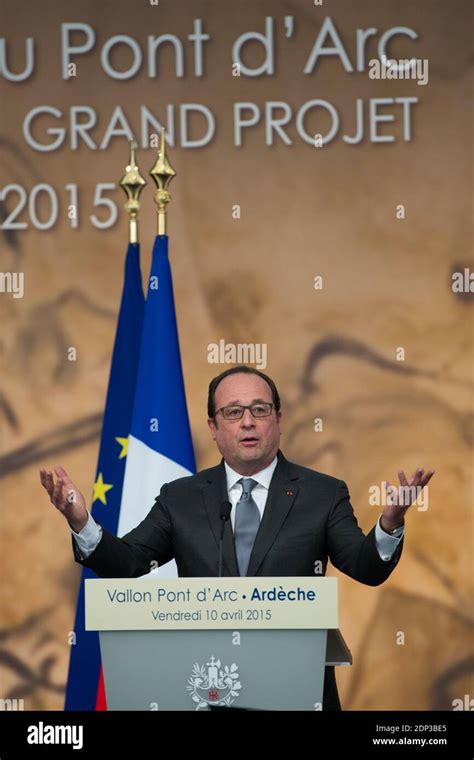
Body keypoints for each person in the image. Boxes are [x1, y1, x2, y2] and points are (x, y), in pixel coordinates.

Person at [39, 365, 434, 710]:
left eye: (259, 410)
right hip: (204, 690)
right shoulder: (181, 498)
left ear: (277, 419)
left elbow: (364, 566)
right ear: (213, 427)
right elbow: (127, 563)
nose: (248, 421)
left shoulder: (322, 494)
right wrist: (81, 522)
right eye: (233, 412)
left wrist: (389, 525)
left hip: (296, 693)